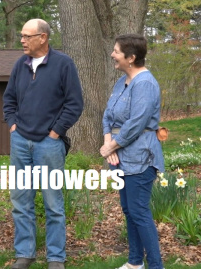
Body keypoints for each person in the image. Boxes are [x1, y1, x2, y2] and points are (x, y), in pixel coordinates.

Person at [3, 19, 84, 269]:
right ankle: (25, 254)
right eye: (22, 35)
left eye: (27, 36)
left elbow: (74, 104)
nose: (22, 40)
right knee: (21, 201)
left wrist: (55, 133)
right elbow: (9, 99)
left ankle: (56, 257)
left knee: (53, 203)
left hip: (49, 145)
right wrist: (13, 126)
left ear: (43, 38)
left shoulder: (63, 64)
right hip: (20, 142)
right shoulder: (21, 64)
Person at [100, 34, 164, 269]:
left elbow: (137, 123)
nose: (112, 54)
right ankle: (135, 263)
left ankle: (156, 266)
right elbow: (107, 115)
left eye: (116, 51)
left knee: (138, 211)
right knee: (129, 210)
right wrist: (109, 145)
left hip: (140, 157)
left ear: (131, 57)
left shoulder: (145, 83)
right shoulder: (121, 82)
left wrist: (113, 145)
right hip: (118, 156)